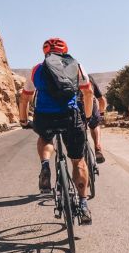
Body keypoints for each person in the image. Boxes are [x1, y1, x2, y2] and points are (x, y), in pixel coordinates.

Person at [18, 38, 96, 224]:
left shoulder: (37, 69)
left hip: (44, 116)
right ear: (65, 50)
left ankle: (45, 165)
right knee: (78, 161)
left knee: (45, 139)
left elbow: (25, 97)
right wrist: (85, 117)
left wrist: (23, 119)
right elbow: (89, 93)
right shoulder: (76, 66)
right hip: (70, 116)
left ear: (45, 52)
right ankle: (83, 204)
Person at [87, 81, 108, 164]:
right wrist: (101, 113)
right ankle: (98, 146)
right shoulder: (87, 78)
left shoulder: (64, 75)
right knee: (95, 124)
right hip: (90, 104)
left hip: (74, 106)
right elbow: (101, 99)